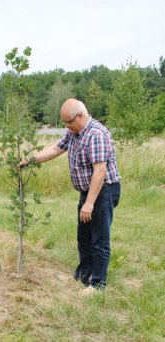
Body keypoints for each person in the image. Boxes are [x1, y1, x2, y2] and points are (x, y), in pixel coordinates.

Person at [18, 98, 121, 291]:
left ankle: (98, 285)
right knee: (83, 236)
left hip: (103, 190)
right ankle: (84, 274)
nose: (66, 126)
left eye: (68, 122)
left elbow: (100, 172)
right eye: (64, 122)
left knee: (99, 238)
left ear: (80, 116)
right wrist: (30, 159)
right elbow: (55, 149)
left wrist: (89, 203)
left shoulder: (96, 135)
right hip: (87, 190)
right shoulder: (74, 132)